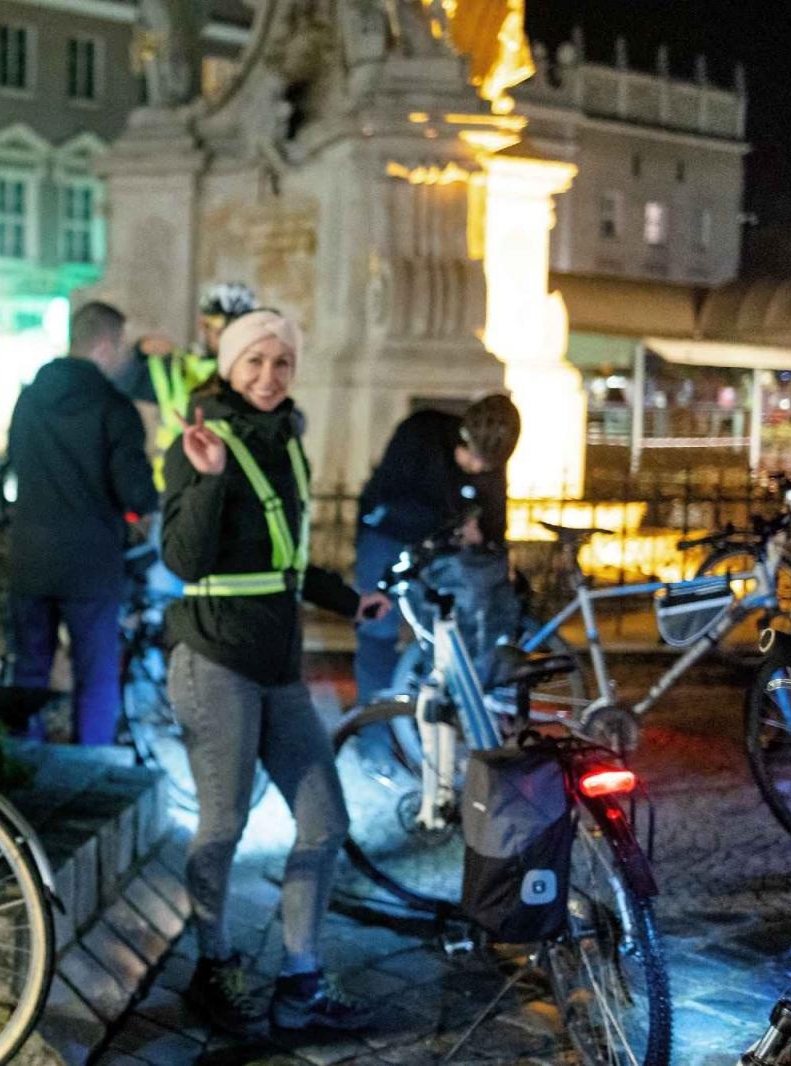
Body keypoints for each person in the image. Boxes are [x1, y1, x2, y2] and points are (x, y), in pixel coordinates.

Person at [161, 309, 388, 1034]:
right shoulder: (198, 443)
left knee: (325, 819)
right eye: (253, 362)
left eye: (281, 363)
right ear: (228, 368)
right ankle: (212, 962)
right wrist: (206, 481)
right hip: (214, 659)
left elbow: (283, 562)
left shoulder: (290, 444)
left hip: (279, 665)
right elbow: (185, 562)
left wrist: (351, 601)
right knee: (222, 823)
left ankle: (300, 979)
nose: (267, 376)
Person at [6, 300, 158, 746]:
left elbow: (15, 462)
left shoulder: (30, 398)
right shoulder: (115, 408)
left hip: (29, 556)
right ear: (107, 346)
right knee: (95, 675)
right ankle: (89, 767)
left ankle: (22, 765)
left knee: (29, 671)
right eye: (123, 346)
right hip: (91, 563)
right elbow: (135, 492)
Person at [351, 393, 521, 767]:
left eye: (487, 466)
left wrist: (486, 538)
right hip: (389, 539)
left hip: (441, 554)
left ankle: (426, 737)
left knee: (440, 646)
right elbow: (388, 498)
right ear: (461, 437)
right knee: (377, 636)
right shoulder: (421, 434)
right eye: (472, 459)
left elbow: (496, 520)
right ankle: (375, 743)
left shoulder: (492, 464)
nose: (477, 469)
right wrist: (451, 522)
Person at [115, 282, 259, 488]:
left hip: (233, 488)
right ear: (204, 326)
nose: (230, 340)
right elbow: (121, 382)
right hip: (176, 486)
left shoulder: (257, 373)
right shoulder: (176, 366)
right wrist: (137, 352)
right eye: (221, 332)